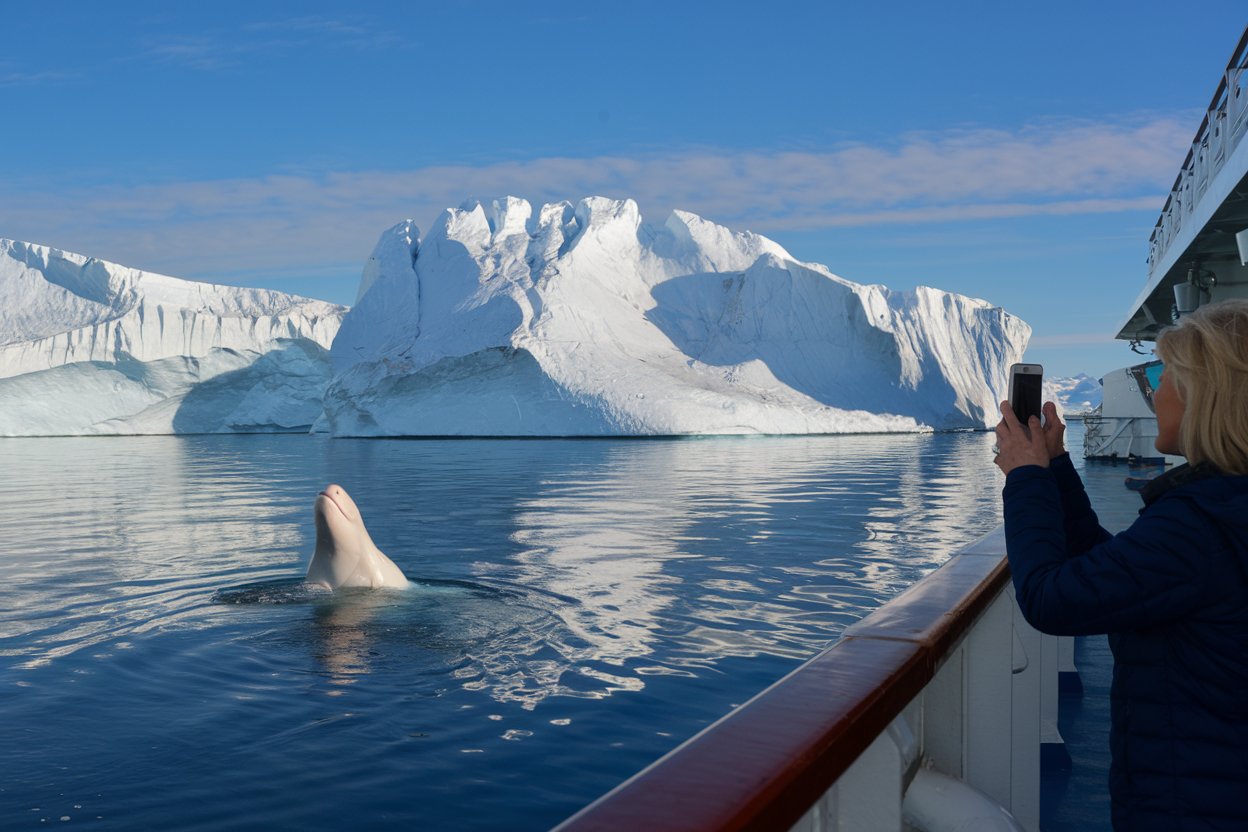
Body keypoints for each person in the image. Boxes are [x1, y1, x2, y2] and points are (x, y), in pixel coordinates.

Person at [993, 298, 1248, 831]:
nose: (1154, 390)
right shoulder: (1221, 510)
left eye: (1163, 373)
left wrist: (1026, 477)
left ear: (1208, 392)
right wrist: (1058, 469)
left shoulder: (1200, 524)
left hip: (1197, 805)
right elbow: (1115, 571)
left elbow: (1049, 596)